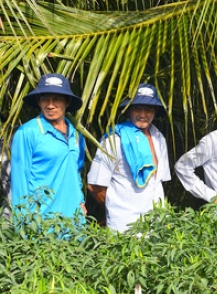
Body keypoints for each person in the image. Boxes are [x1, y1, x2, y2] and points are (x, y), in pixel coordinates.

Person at [87, 84, 171, 232]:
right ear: (129, 110)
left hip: (156, 223)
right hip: (124, 225)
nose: (143, 114)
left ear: (156, 111)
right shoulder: (114, 139)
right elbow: (95, 185)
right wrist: (115, 209)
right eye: (137, 108)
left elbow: (157, 183)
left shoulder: (159, 138)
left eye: (149, 109)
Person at [11, 73, 86, 224]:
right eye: (45, 98)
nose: (50, 105)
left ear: (67, 101)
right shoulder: (27, 132)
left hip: (74, 224)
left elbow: (75, 171)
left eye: (57, 99)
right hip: (42, 224)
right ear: (39, 101)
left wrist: (81, 201)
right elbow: (19, 182)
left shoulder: (77, 135)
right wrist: (23, 227)